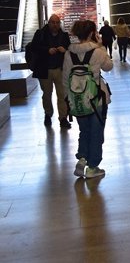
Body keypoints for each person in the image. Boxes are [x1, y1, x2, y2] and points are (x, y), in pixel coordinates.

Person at [63, 20, 113, 179]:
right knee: (96, 132)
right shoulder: (98, 52)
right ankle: (93, 167)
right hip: (96, 100)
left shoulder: (69, 53)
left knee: (84, 131)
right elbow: (109, 66)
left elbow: (65, 79)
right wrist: (101, 46)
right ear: (92, 33)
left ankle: (82, 158)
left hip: (78, 101)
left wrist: (70, 99)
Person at [30, 14, 72, 128]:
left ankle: (63, 118)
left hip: (60, 69)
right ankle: (48, 114)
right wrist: (47, 50)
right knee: (47, 95)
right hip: (45, 70)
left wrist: (65, 50)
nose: (55, 25)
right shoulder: (40, 34)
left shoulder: (64, 36)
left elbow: (70, 49)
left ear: (60, 24)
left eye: (57, 22)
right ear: (48, 23)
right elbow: (33, 47)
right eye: (53, 22)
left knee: (62, 95)